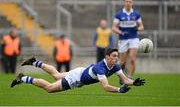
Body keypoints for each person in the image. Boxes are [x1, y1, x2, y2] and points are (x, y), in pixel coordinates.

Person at [11, 48, 145, 94]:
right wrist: (118, 90)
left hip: (80, 72)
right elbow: (105, 86)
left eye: (117, 56)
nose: (116, 58)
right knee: (50, 88)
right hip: (77, 78)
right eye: (114, 56)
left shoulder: (115, 66)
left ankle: (34, 62)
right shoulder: (100, 68)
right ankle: (22, 78)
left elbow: (124, 80)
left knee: (56, 75)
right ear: (107, 57)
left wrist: (133, 83)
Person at [112, 0, 144, 79]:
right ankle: (122, 77)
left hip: (134, 38)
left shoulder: (136, 14)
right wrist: (121, 32)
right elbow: (114, 27)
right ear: (124, 3)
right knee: (122, 62)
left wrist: (137, 28)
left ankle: (130, 77)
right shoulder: (119, 14)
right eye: (126, 1)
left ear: (132, 3)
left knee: (133, 59)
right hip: (123, 39)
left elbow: (141, 26)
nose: (128, 3)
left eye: (130, 2)